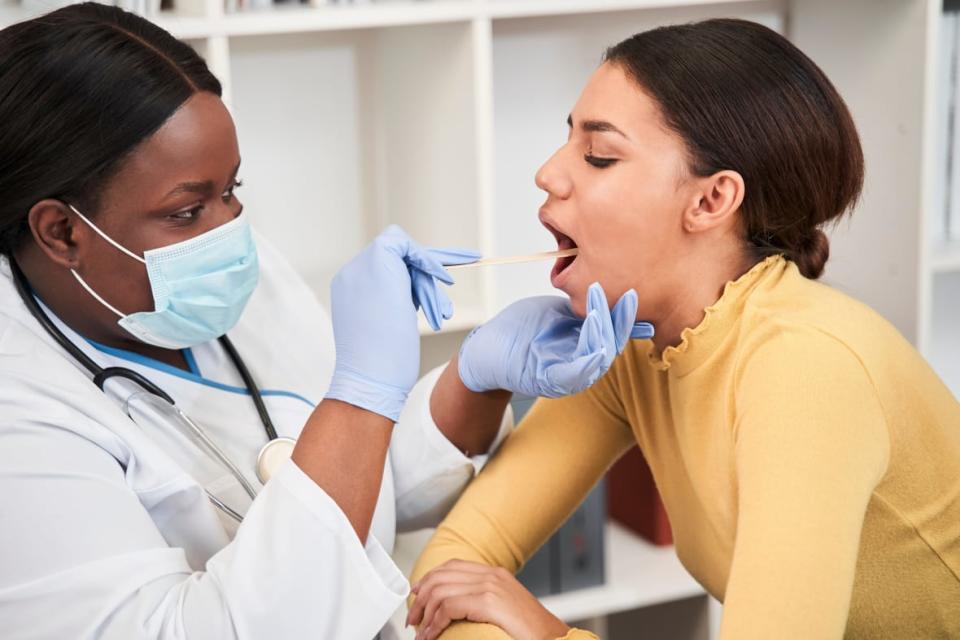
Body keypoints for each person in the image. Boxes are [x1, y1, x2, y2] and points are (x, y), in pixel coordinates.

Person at [0, 4, 641, 638]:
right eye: (186, 211)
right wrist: (362, 391)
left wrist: (476, 378)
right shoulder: (19, 423)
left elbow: (364, 486)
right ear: (60, 231)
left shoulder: (225, 268)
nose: (229, 229)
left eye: (232, 191)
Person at [406, 18, 960, 640]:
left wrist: (546, 632)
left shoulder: (807, 368)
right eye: (569, 142)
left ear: (711, 201)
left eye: (598, 155)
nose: (548, 174)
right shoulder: (632, 345)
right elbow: (445, 577)